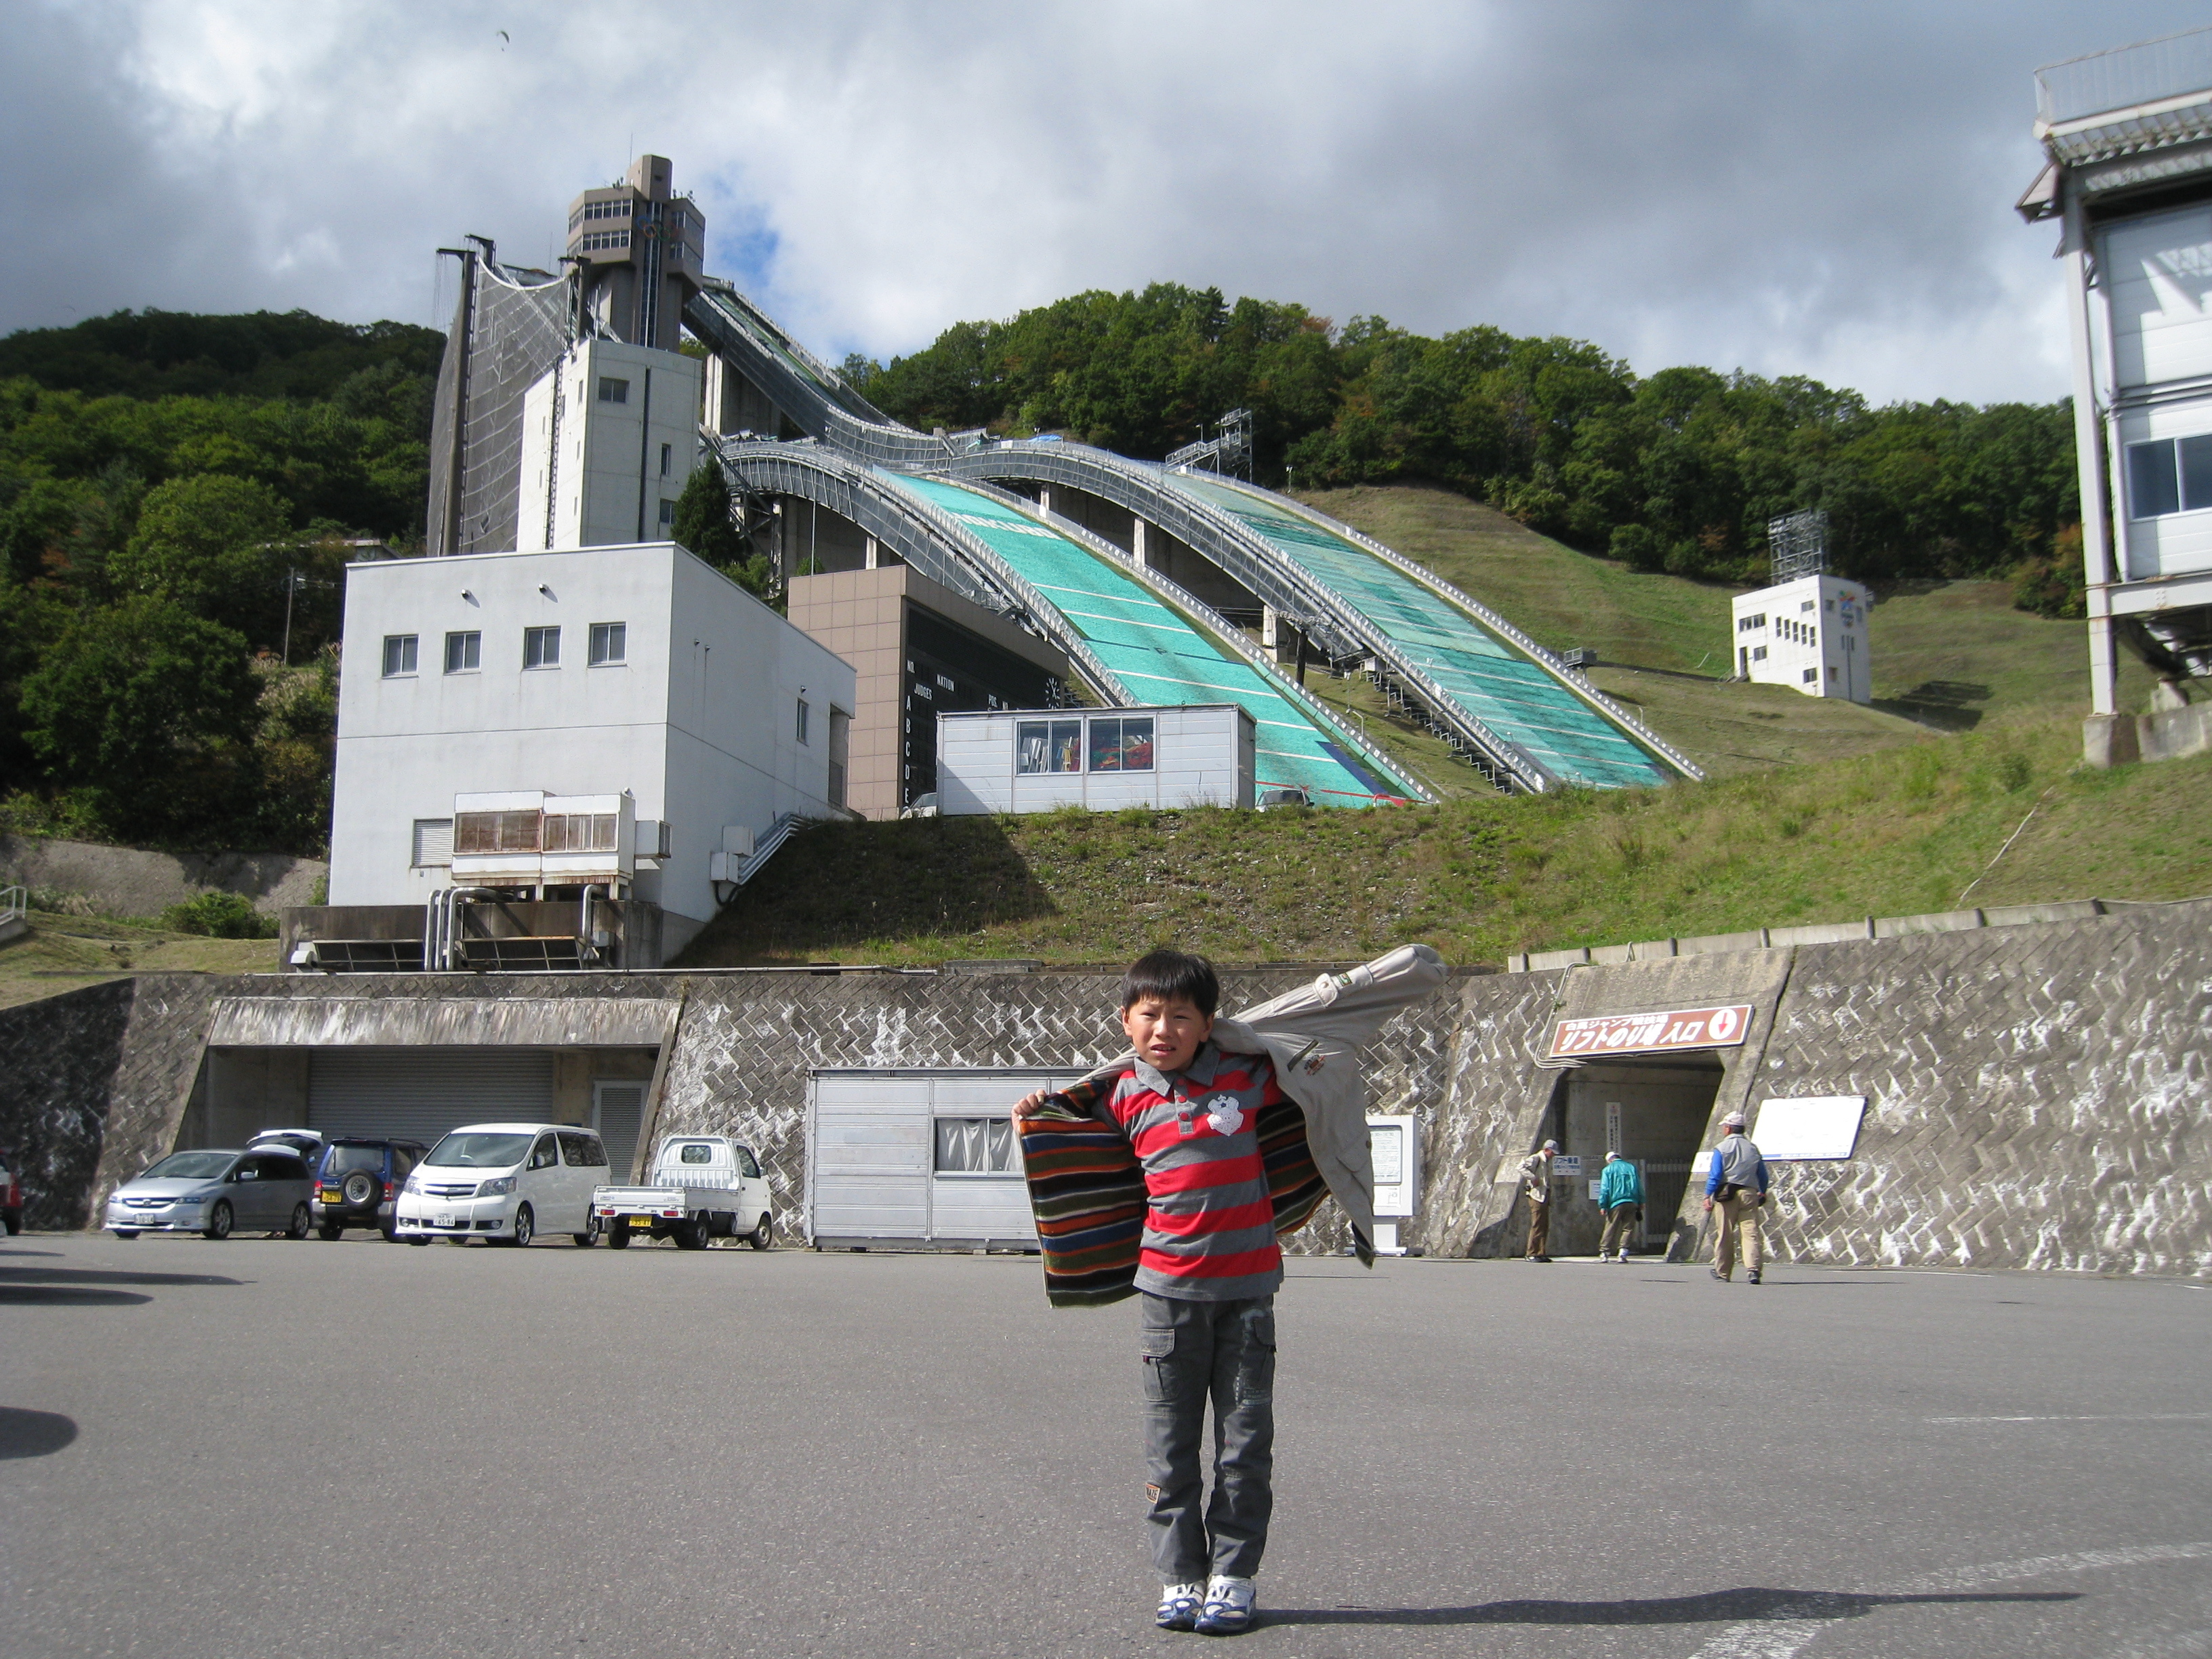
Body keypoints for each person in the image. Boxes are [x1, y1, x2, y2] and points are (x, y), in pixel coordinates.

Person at [1014, 944, 1446, 1638]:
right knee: (1170, 1442)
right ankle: (1180, 1576)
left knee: (1245, 1444)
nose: (1164, 1030)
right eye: (1150, 1015)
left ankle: (1234, 1577)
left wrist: (1337, 1032)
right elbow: (1068, 1147)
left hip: (1249, 1292)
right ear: (1126, 1021)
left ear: (1208, 1024)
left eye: (1181, 1016)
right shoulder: (1121, 1095)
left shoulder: (1246, 1077)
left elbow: (1310, 1062)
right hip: (1166, 1295)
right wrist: (1032, 1118)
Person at [1703, 1110, 1769, 1284]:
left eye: (1725, 1127)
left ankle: (1723, 1271)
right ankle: (1753, 1269)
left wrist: (1707, 1195)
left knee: (1725, 1233)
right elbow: (1762, 1174)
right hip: (1749, 1192)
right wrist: (1762, 1190)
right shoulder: (1753, 1148)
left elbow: (1716, 1175)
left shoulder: (1722, 1148)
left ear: (1729, 1129)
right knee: (1751, 1232)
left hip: (1727, 1194)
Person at [1597, 1150, 1643, 1261]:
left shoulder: (1608, 1170)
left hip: (1615, 1202)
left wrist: (1603, 1205)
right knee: (1628, 1228)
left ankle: (1605, 1252)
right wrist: (1641, 1201)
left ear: (1609, 1160)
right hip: (1632, 1202)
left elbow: (1605, 1189)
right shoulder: (1631, 1167)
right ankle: (1623, 1251)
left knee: (1611, 1227)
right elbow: (1638, 1185)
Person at [1517, 1139, 1557, 1261]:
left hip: (1544, 1195)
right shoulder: (1537, 1158)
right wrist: (1533, 1178)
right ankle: (1531, 1253)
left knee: (1544, 1225)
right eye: (1552, 1152)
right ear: (1546, 1150)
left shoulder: (1547, 1161)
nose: (1553, 1155)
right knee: (1537, 1224)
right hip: (1537, 1196)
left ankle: (1541, 1252)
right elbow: (1520, 1167)